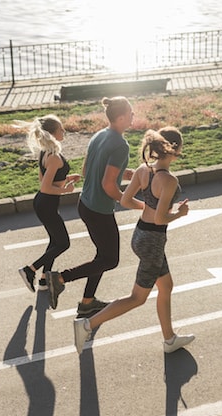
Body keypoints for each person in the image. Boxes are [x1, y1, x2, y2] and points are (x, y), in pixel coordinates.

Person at [72, 127, 195, 354]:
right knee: (137, 298)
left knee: (166, 286)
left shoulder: (143, 170)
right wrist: (180, 213)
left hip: (140, 234)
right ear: (175, 148)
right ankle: (87, 324)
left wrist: (148, 206)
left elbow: (126, 200)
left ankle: (169, 339)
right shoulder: (169, 181)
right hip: (152, 242)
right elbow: (160, 219)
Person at [46, 96, 135, 314]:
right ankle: (60, 278)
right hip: (99, 211)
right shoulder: (121, 145)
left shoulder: (99, 135)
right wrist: (128, 200)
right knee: (111, 260)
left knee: (101, 257)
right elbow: (108, 184)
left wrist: (126, 173)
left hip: (85, 204)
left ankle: (87, 302)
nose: (133, 117)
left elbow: (88, 170)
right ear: (121, 118)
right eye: (131, 114)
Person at [17, 115, 80, 295]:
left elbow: (44, 179)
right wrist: (65, 190)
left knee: (55, 241)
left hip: (44, 203)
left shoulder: (46, 152)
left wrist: (66, 179)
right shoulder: (54, 156)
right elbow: (46, 187)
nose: (64, 132)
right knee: (63, 243)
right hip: (46, 204)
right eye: (61, 129)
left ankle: (44, 280)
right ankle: (30, 270)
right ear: (52, 133)